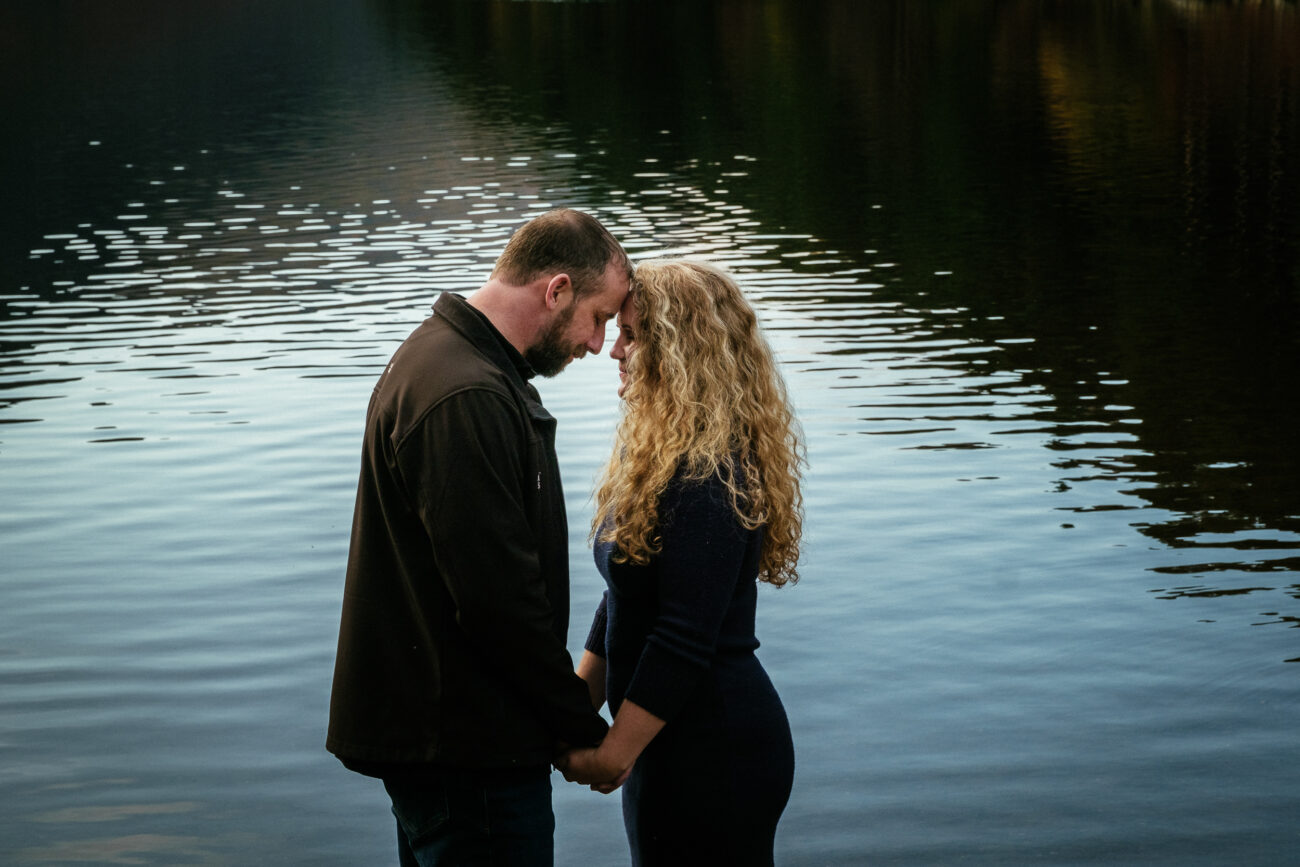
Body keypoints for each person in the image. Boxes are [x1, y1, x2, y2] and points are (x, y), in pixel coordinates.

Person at [327, 208, 632, 866]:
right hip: (470, 759)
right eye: (599, 317)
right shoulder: (463, 392)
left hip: (451, 746)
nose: (598, 343)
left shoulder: (452, 362)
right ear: (556, 290)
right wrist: (581, 731)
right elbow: (497, 599)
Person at [555, 259, 804, 865]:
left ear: (681, 351)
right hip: (663, 737)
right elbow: (625, 596)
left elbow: (684, 635)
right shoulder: (662, 457)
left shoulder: (711, 473)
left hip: (716, 747)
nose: (615, 351)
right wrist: (573, 711)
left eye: (633, 335)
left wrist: (612, 753)